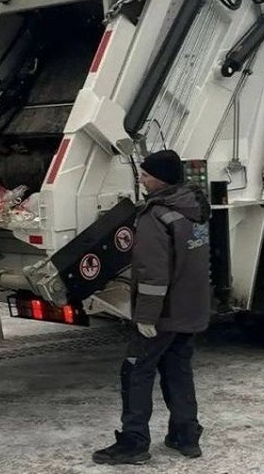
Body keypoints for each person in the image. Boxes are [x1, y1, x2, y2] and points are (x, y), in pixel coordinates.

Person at [93, 149, 211, 465]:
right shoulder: (193, 208)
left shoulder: (155, 217)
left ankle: (134, 443)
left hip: (163, 314)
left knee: (135, 371)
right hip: (190, 310)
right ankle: (185, 436)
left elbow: (152, 274)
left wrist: (146, 317)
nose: (142, 181)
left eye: (146, 176)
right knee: (178, 370)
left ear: (161, 180)